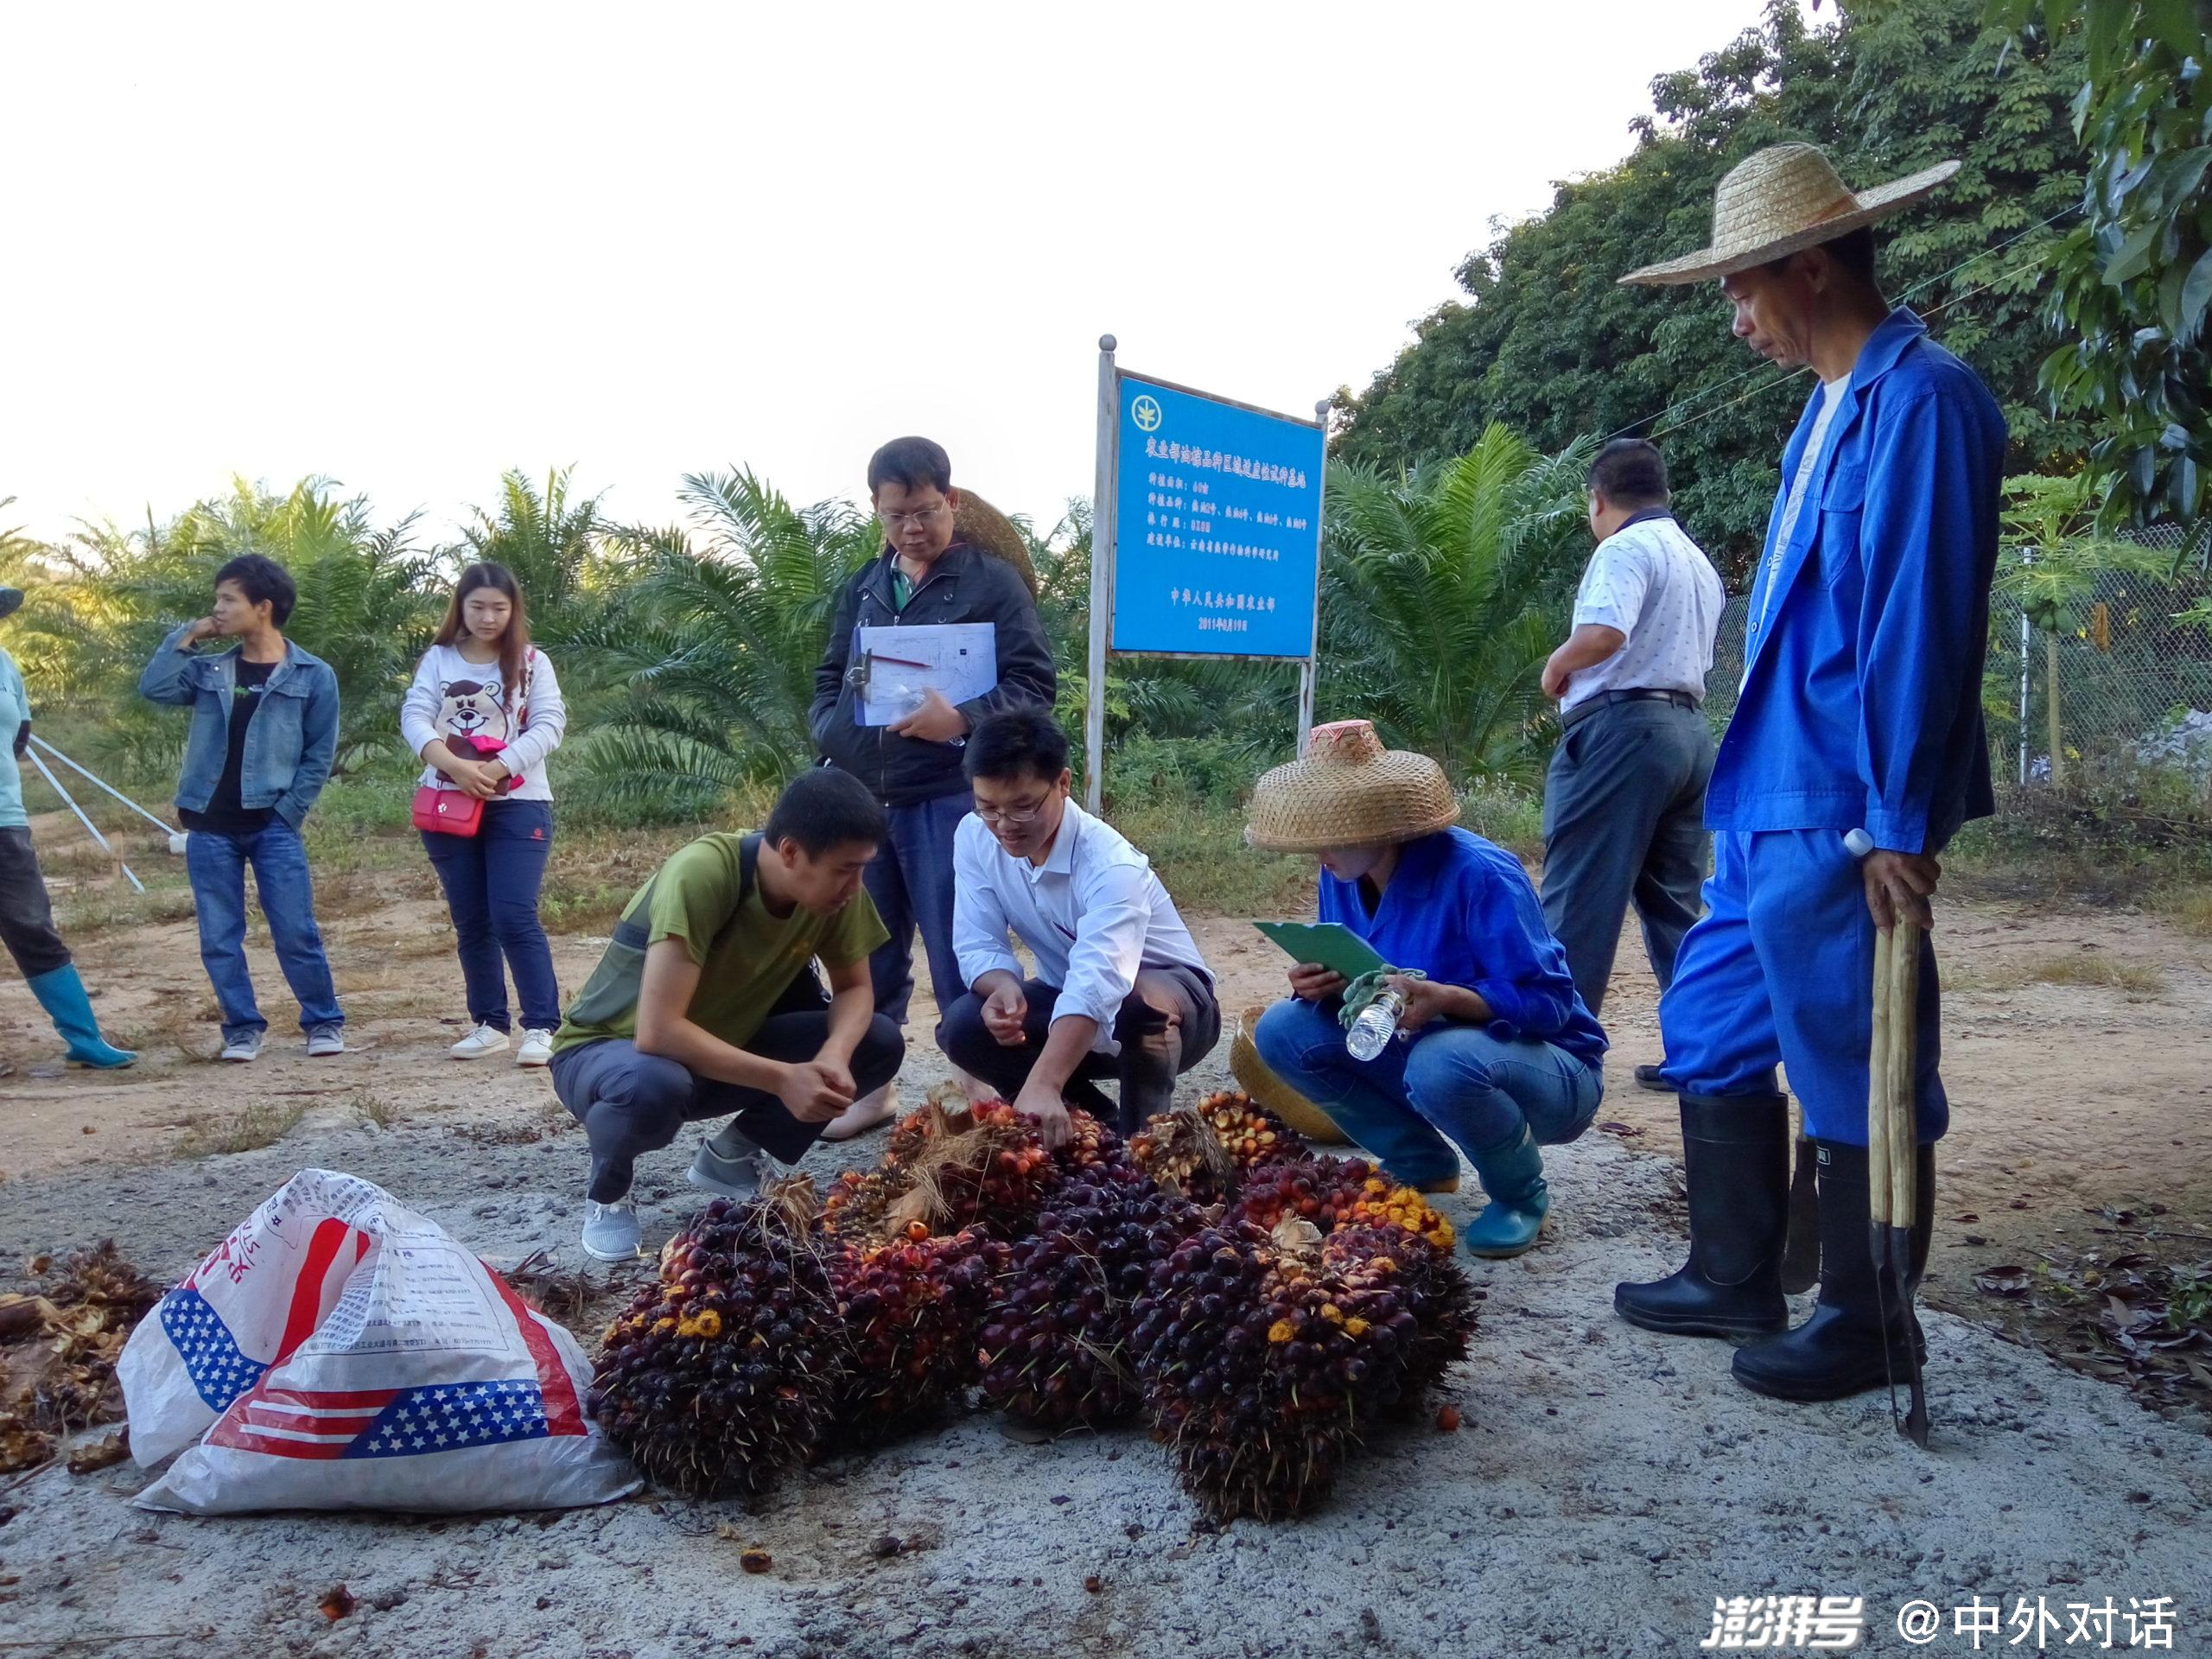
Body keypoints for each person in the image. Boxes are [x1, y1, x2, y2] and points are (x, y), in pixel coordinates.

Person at [1612, 143, 2005, 1401]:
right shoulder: (1817, 417)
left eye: (1742, 291)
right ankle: (1736, 1273)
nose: (1734, 322)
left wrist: (1900, 815)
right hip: (1758, 793)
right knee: (1710, 1018)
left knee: (1855, 1051)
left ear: (1813, 265)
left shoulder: (1924, 402)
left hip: (1845, 799)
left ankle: (1867, 1318)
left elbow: (1919, 628)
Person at [1246, 721, 1608, 1258]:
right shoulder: (1342, 873)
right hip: (1422, 1050)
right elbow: (1368, 979)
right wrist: (1324, 985)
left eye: (1331, 835)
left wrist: (1453, 1000)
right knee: (1282, 1029)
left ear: (1380, 824)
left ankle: (1520, 1195)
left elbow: (1551, 1005)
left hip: (1549, 1073)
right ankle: (1421, 1160)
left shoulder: (1481, 874)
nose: (1319, 853)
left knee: (1442, 1060)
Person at [548, 767, 903, 1261]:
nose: (856, 883)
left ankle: (732, 1157)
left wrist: (834, 1056)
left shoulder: (835, 889)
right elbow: (657, 1032)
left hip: (715, 1053)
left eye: (863, 866)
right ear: (791, 853)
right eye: (846, 869)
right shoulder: (704, 873)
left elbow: (856, 989)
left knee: (877, 1041)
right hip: (610, 1055)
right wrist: (784, 1079)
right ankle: (608, 1192)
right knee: (652, 1084)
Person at [809, 436, 1057, 1140]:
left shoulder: (991, 583)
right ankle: (870, 1087)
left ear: (950, 500)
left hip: (951, 793)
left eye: (923, 512)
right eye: (895, 517)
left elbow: (1036, 686)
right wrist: (841, 736)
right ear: (877, 512)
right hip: (867, 796)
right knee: (869, 949)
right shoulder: (862, 587)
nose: (911, 529)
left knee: (960, 942)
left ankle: (976, 1077)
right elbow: (829, 684)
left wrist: (963, 719)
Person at [938, 710, 1217, 1145]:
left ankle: (1141, 1143)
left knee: (1138, 1003)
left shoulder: (1111, 865)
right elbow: (977, 941)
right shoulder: (974, 837)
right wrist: (1002, 988)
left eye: (1023, 807)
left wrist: (1045, 1080)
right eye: (988, 807)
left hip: (1175, 1008)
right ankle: (1093, 1130)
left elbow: (1099, 981)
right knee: (963, 1025)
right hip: (1067, 994)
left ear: (1064, 784)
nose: (1005, 826)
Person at [1538, 438, 1726, 1087]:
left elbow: (1605, 634)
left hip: (1622, 731)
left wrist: (1558, 663)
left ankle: (1557, 1051)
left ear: (1598, 499)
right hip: (1689, 733)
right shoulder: (1696, 559)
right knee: (1677, 905)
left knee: (1579, 895)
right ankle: (1704, 1056)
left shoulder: (1622, 548)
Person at [140, 554, 345, 1063]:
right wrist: (189, 633)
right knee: (219, 937)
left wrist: (287, 812)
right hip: (209, 825)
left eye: (228, 600)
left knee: (295, 931)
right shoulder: (210, 669)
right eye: (217, 600)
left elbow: (319, 755)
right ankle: (242, 1029)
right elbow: (156, 687)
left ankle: (323, 1023)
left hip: (272, 824)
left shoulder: (312, 675)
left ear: (263, 606)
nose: (218, 609)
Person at [402, 562, 569, 1067]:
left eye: (499, 607)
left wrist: (496, 768)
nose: (488, 616)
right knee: (471, 919)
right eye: (477, 606)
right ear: (461, 607)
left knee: (513, 914)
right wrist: (454, 766)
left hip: (518, 804)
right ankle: (488, 1024)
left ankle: (541, 1026)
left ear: (514, 610)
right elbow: (415, 714)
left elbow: (549, 724)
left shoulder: (533, 662)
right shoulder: (438, 659)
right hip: (450, 804)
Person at [0, 586, 135, 1069]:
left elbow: (20, 734)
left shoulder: (5, 664)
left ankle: (84, 1039)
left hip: (5, 821)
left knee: (33, 926)